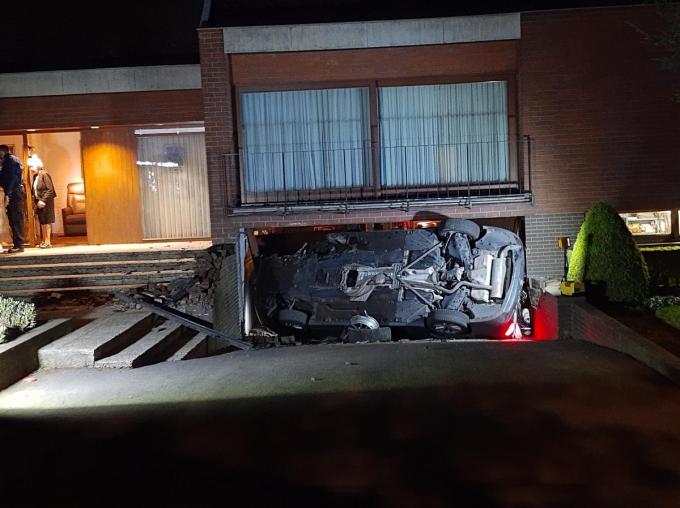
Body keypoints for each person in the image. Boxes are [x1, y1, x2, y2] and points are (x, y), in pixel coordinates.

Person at [0, 144, 26, 253]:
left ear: (2, 152)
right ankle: (18, 244)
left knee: (15, 219)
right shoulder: (14, 160)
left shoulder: (8, 160)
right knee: (15, 218)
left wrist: (8, 194)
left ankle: (19, 245)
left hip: (14, 193)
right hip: (16, 192)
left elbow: (11, 178)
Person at [30, 163, 56, 248]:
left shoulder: (44, 174)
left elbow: (50, 189)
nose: (31, 168)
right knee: (42, 221)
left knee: (47, 220)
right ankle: (44, 240)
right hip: (39, 201)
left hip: (46, 201)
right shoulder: (35, 176)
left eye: (32, 166)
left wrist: (43, 200)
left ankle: (48, 242)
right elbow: (34, 190)